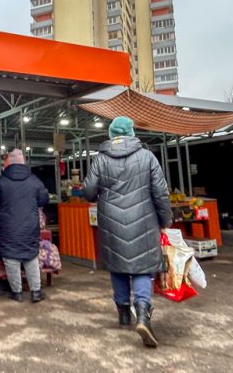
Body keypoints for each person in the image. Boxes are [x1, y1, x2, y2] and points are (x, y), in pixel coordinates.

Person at [82, 116, 172, 349]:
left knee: (117, 264)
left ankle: (123, 313)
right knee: (143, 267)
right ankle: (142, 314)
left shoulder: (100, 159)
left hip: (111, 220)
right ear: (132, 133)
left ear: (112, 134)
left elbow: (89, 192)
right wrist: (166, 220)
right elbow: (161, 192)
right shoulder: (147, 157)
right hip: (144, 219)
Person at [0, 149, 49, 303]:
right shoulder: (34, 180)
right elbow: (44, 199)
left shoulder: (2, 181)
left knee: (11, 257)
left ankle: (17, 293)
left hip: (8, 226)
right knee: (31, 256)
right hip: (30, 225)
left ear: (9, 163)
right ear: (23, 162)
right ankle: (36, 292)